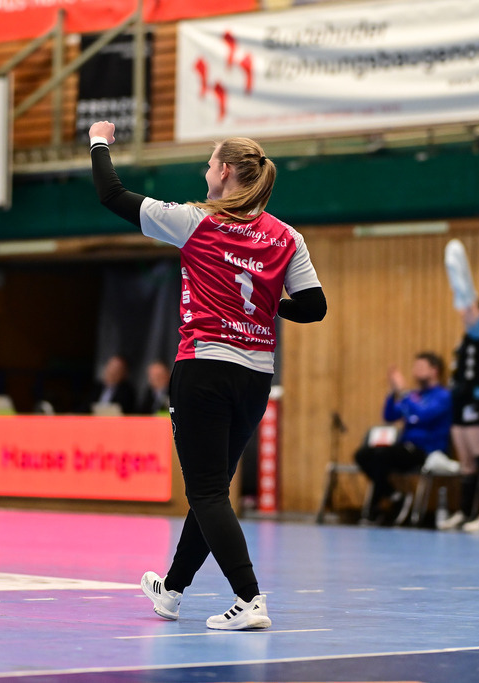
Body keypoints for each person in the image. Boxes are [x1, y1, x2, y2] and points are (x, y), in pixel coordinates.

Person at [89, 121, 326, 630]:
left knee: (207, 492)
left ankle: (250, 599)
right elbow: (313, 305)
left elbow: (111, 194)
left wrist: (99, 140)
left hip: (203, 368)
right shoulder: (287, 237)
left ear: (223, 172)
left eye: (209, 162)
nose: (204, 170)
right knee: (212, 486)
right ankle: (172, 590)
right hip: (255, 377)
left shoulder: (194, 221)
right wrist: (269, 307)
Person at [355, 353, 453, 525]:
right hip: (406, 448)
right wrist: (393, 393)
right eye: (415, 367)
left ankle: (375, 509)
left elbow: (424, 415)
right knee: (363, 455)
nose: (415, 371)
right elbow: (389, 416)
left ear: (434, 370)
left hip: (426, 450)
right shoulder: (414, 396)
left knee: (381, 456)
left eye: (421, 367)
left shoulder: (443, 396)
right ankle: (394, 496)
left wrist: (403, 393)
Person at [439, 301, 479, 533]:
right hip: (460, 400)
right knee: (467, 463)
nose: (464, 313)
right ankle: (464, 512)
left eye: (470, 310)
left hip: (477, 399)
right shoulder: (465, 338)